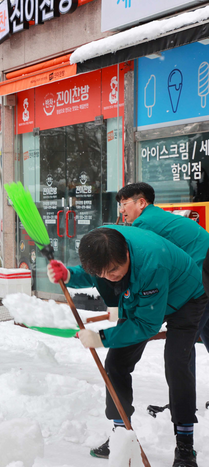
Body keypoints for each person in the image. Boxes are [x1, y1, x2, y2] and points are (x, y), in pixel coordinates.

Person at [47, 226, 205, 467]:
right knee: (115, 364)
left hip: (186, 297)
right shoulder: (105, 247)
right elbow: (94, 272)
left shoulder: (151, 264)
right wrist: (69, 276)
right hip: (142, 298)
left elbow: (146, 324)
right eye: (104, 273)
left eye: (114, 270)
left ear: (127, 255)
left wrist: (102, 337)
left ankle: (185, 445)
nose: (110, 276)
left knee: (177, 363)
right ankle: (121, 434)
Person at [117, 182, 209, 358]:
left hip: (201, 277)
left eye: (124, 204)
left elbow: (143, 263)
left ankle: (183, 386)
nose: (121, 210)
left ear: (141, 203)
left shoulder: (144, 223)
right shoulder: (157, 217)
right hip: (203, 273)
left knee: (182, 347)